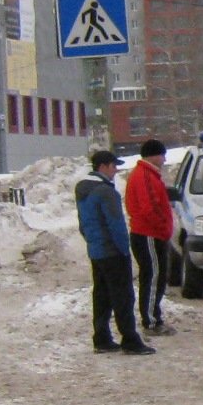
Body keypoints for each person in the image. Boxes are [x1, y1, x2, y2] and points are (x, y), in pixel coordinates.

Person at [76, 150, 155, 355]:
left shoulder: (82, 189)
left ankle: (101, 338)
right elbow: (116, 225)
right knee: (123, 296)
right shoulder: (106, 192)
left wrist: (92, 242)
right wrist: (124, 250)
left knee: (101, 295)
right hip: (113, 252)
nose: (116, 170)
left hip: (96, 250)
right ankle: (130, 339)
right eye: (113, 166)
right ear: (103, 166)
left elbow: (83, 225)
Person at [125, 138, 174, 333]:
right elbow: (150, 207)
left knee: (157, 275)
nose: (163, 159)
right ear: (154, 155)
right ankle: (151, 320)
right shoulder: (145, 175)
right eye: (162, 155)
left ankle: (153, 316)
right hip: (148, 234)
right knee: (153, 276)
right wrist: (163, 227)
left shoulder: (149, 175)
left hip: (151, 233)